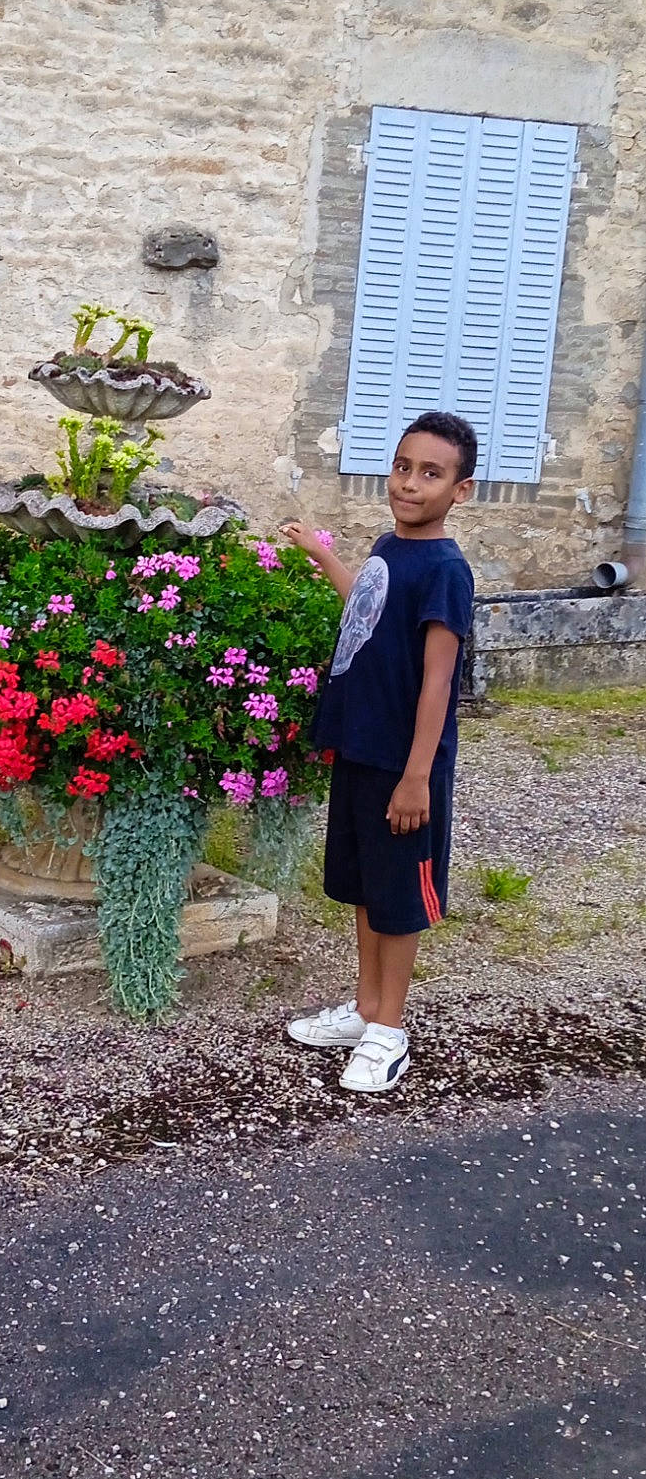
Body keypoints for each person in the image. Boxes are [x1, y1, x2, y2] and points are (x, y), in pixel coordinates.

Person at [281, 410, 477, 1095]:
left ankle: (389, 1030)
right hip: (361, 749)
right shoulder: (389, 550)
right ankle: (366, 1010)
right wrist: (322, 554)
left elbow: (437, 679)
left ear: (461, 490)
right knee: (364, 888)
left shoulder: (445, 570)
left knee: (397, 898)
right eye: (402, 467)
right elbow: (364, 612)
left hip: (404, 765)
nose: (410, 484)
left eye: (430, 473)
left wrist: (416, 776)